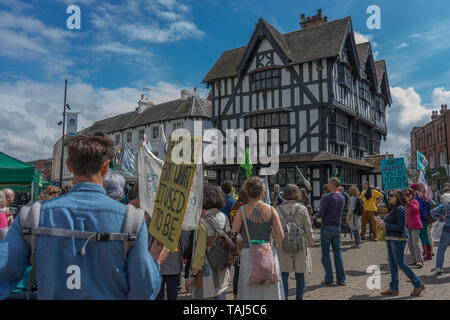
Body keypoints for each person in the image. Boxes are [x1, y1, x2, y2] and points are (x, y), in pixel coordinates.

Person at [0, 132, 168, 299]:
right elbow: (143, 290)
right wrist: (155, 263)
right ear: (105, 167)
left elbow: (3, 269)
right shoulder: (132, 221)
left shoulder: (32, 216)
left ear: (69, 165)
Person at [232, 177, 285, 300]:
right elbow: (281, 235)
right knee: (269, 289)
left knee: (249, 292)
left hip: (247, 252)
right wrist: (275, 244)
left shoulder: (242, 210)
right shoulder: (271, 210)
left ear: (247, 193)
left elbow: (234, 234)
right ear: (262, 192)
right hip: (267, 251)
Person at [185, 183, 231, 300]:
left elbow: (199, 252)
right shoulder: (224, 217)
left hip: (206, 271)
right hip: (222, 269)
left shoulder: (201, 222)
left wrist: (193, 275)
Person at [378, 190, 425, 297]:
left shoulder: (400, 209)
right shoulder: (392, 208)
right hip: (390, 238)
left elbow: (400, 227)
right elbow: (391, 223)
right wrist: (382, 223)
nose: (389, 197)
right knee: (392, 264)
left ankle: (418, 284)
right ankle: (394, 288)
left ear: (398, 197)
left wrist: (386, 226)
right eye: (388, 195)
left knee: (401, 263)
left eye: (391, 195)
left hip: (398, 239)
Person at [276, 184, 313, 300]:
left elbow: (274, 229)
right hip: (300, 243)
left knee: (283, 273)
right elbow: (308, 227)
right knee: (300, 273)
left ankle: (284, 297)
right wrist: (310, 241)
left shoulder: (278, 209)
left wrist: (275, 242)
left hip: (283, 243)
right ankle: (299, 298)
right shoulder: (302, 209)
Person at [313, 177, 346, 286]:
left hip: (327, 226)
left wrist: (314, 216)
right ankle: (341, 279)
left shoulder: (326, 197)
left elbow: (321, 213)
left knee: (325, 254)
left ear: (332, 184)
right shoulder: (342, 197)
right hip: (337, 227)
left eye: (328, 183)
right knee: (338, 253)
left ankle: (329, 279)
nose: (327, 184)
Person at [155, 230, 191, 300]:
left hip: (157, 259)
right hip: (173, 260)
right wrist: (184, 253)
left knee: (158, 292)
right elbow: (184, 238)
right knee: (172, 291)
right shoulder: (178, 220)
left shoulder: (154, 219)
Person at [229, 188, 247, 300]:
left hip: (235, 239)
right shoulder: (244, 208)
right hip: (243, 239)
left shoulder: (234, 206)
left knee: (237, 270)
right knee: (244, 270)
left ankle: (235, 294)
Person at [411, 183, 433, 261]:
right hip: (421, 219)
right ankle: (426, 252)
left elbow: (419, 209)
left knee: (424, 236)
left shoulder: (418, 198)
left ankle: (429, 254)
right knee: (422, 236)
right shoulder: (421, 196)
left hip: (422, 219)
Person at [430, 193, 450, 275]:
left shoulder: (444, 206)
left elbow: (432, 212)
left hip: (446, 229)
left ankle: (439, 267)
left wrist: (439, 216)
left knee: (441, 248)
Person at [404, 188, 424, 268]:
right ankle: (414, 259)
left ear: (412, 194)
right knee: (410, 244)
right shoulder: (405, 203)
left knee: (415, 243)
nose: (407, 196)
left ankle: (419, 260)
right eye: (406, 194)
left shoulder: (414, 201)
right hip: (408, 225)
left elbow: (416, 209)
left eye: (409, 194)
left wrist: (408, 202)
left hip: (415, 225)